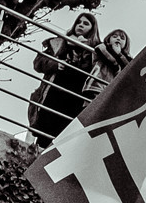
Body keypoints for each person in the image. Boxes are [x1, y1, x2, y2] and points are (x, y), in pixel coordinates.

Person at [28, 11, 100, 147]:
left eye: (86, 23)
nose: (81, 25)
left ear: (93, 28)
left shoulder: (96, 51)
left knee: (64, 137)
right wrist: (56, 64)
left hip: (76, 98)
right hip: (54, 93)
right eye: (78, 22)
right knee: (45, 133)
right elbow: (38, 63)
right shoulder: (60, 42)